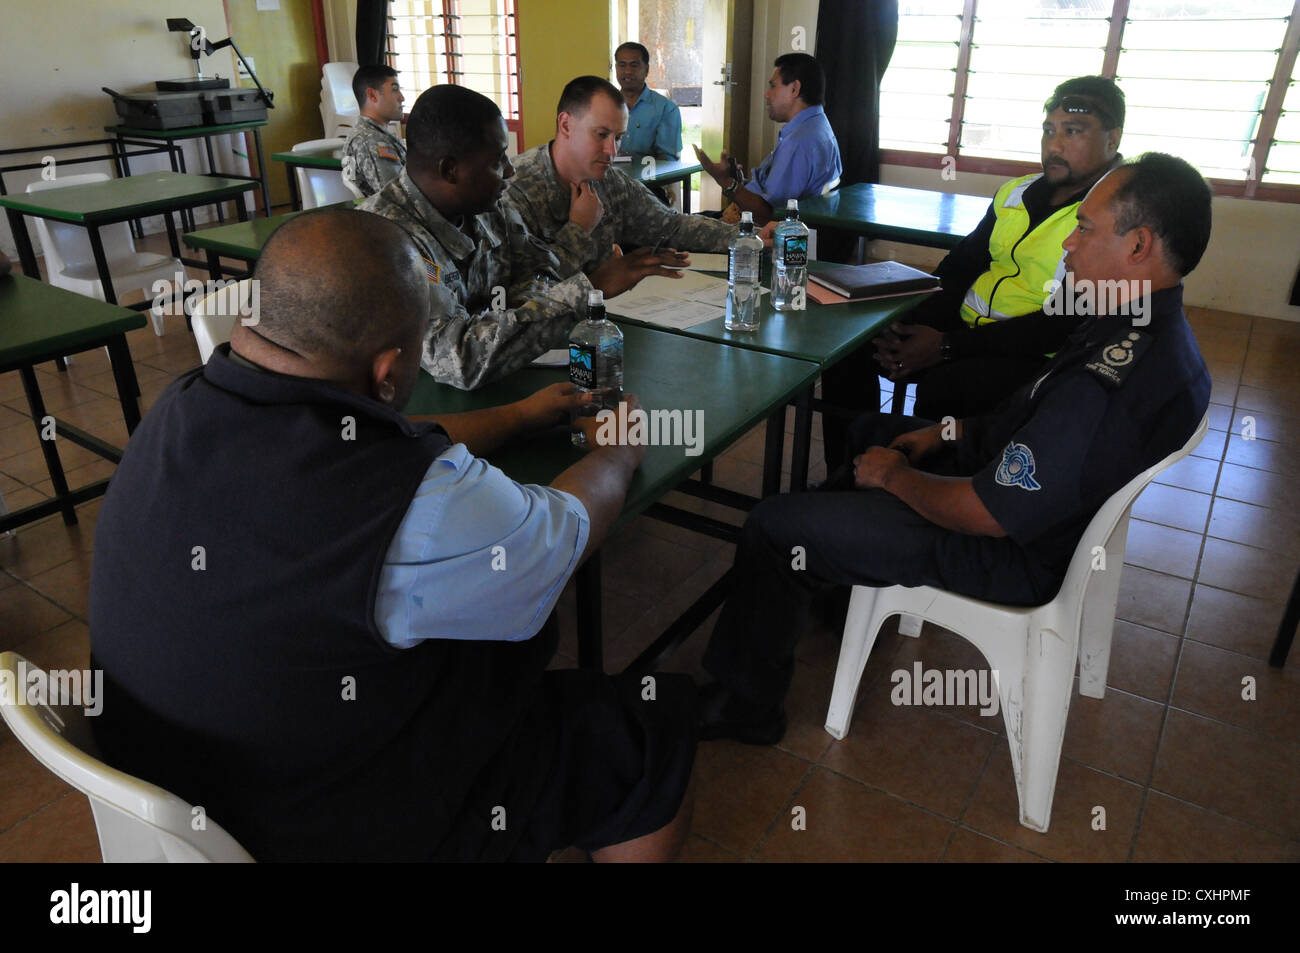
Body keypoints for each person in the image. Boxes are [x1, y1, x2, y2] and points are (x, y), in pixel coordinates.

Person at [88, 207, 697, 862]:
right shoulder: (411, 501)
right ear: (387, 373)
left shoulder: (180, 405)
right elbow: (562, 535)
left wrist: (517, 417)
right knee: (643, 728)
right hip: (321, 824)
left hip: (177, 802)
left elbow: (373, 436)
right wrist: (618, 453)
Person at [695, 153, 1213, 744]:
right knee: (875, 430)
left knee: (772, 525)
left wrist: (894, 478)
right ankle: (830, 568)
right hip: (1028, 504)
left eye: (1086, 227)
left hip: (1013, 550)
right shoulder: (1137, 323)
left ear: (1138, 245)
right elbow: (1022, 417)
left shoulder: (1107, 381)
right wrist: (939, 434)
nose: (1069, 241)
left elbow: (988, 513)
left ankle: (744, 703)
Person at [822, 76, 1125, 468]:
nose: (1054, 145)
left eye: (1073, 132)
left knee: (946, 388)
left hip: (1040, 355)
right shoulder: (1016, 193)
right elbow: (959, 269)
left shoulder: (1115, 214)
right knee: (851, 348)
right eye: (1049, 130)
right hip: (969, 332)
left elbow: (1061, 324)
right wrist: (911, 332)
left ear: (1112, 139)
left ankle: (923, 491)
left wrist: (944, 346)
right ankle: (853, 472)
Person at [362, 84, 635, 390]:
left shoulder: (489, 207)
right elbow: (459, 360)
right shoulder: (387, 240)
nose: (509, 172)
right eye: (497, 161)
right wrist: (589, 289)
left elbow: (543, 271)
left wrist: (516, 308)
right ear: (450, 170)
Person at [506, 75, 736, 284]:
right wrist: (579, 229)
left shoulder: (608, 181)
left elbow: (671, 226)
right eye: (601, 134)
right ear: (565, 124)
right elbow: (525, 290)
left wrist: (747, 238)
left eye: (618, 138)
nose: (612, 151)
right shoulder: (514, 190)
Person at [694, 53, 842, 227]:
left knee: (676, 231)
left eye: (773, 86)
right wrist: (741, 184)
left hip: (760, 232)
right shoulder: (818, 124)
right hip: (770, 220)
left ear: (794, 89)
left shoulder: (798, 143)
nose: (767, 94)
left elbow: (767, 215)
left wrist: (726, 183)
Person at [341, 65, 407, 197]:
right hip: (390, 216)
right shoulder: (371, 142)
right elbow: (398, 196)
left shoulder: (374, 134)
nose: (401, 97)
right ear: (372, 95)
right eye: (394, 90)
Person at [614, 41, 682, 160]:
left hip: (650, 177)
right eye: (622, 65)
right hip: (608, 176)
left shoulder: (666, 109)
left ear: (646, 69)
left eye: (634, 65)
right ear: (616, 68)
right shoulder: (606, 105)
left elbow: (667, 161)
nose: (628, 71)